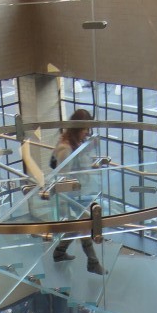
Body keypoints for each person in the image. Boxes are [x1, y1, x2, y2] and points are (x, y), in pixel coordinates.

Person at [50, 109, 104, 275]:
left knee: (79, 226)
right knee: (84, 226)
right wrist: (65, 204)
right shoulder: (65, 148)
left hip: (82, 193)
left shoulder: (76, 143)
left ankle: (59, 252)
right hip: (73, 196)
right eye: (85, 129)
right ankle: (92, 262)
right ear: (77, 128)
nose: (87, 132)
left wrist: (89, 152)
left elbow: (78, 163)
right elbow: (63, 177)